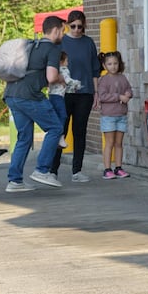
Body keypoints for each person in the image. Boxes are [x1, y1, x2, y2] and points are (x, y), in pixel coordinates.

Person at [3, 14, 66, 192]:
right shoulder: (53, 48)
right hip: (29, 96)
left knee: (24, 137)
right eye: (63, 30)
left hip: (11, 94)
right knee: (55, 128)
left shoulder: (31, 45)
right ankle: (42, 170)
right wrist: (61, 78)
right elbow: (51, 77)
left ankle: (14, 181)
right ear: (55, 30)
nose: (64, 33)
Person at [53, 9, 100, 183]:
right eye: (73, 26)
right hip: (64, 93)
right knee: (60, 131)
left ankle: (77, 170)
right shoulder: (61, 42)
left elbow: (95, 70)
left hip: (85, 92)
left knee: (80, 131)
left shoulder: (88, 43)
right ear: (67, 25)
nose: (77, 29)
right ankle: (52, 170)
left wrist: (96, 93)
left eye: (80, 26)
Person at [94, 51, 133, 179]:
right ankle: (107, 168)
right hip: (108, 116)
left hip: (121, 115)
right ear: (104, 66)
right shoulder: (103, 80)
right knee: (109, 143)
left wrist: (128, 94)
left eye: (115, 63)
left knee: (119, 143)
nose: (113, 66)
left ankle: (118, 167)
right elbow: (103, 96)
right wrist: (118, 96)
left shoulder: (122, 78)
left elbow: (128, 89)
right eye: (109, 64)